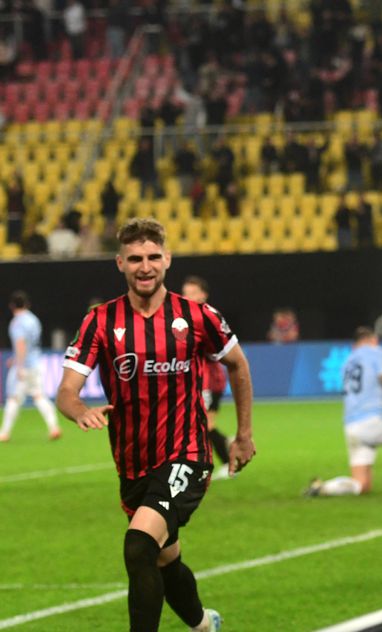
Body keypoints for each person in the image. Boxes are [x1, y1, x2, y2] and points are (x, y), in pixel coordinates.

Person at [56, 218, 256, 632]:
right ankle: (203, 625)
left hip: (187, 454)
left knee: (138, 545)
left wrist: (243, 435)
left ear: (167, 259)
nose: (144, 267)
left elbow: (237, 365)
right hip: (133, 464)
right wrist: (79, 411)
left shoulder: (197, 316)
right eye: (134, 259)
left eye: (152, 257)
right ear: (119, 263)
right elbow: (66, 392)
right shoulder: (100, 321)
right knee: (165, 558)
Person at [305, 326, 382, 496]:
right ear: (372, 340)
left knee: (362, 485)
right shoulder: (375, 353)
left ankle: (323, 488)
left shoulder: (347, 361)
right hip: (372, 423)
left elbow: (363, 395)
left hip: (351, 426)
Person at [181, 275, 234, 481]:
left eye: (193, 293)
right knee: (199, 424)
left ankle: (228, 462)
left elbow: (217, 350)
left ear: (204, 295)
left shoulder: (207, 318)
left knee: (203, 425)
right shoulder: (184, 319)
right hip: (199, 381)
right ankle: (223, 452)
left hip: (209, 381)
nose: (189, 297)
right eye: (186, 293)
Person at [0, 291, 62, 442]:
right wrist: (16, 359)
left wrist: (19, 365)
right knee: (39, 396)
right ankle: (54, 427)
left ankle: (4, 433)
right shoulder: (33, 320)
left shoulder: (18, 322)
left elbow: (21, 344)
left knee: (14, 398)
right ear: (27, 304)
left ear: (11, 306)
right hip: (36, 363)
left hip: (24, 366)